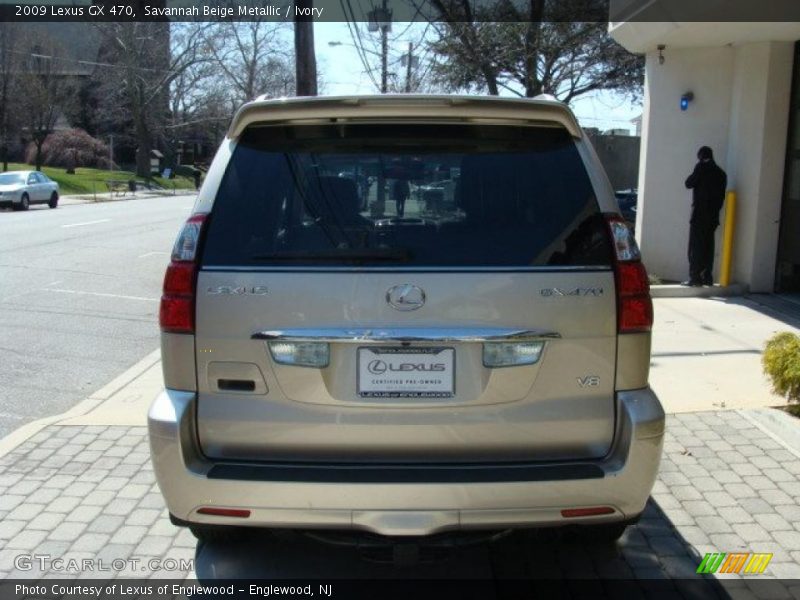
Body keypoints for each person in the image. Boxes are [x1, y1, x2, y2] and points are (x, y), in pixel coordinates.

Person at [683, 146, 727, 287]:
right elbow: (721, 197)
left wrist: (698, 168)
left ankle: (695, 277)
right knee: (709, 246)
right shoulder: (721, 173)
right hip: (713, 217)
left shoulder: (701, 168)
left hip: (699, 216)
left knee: (696, 247)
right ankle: (707, 276)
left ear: (700, 156)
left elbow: (688, 183)